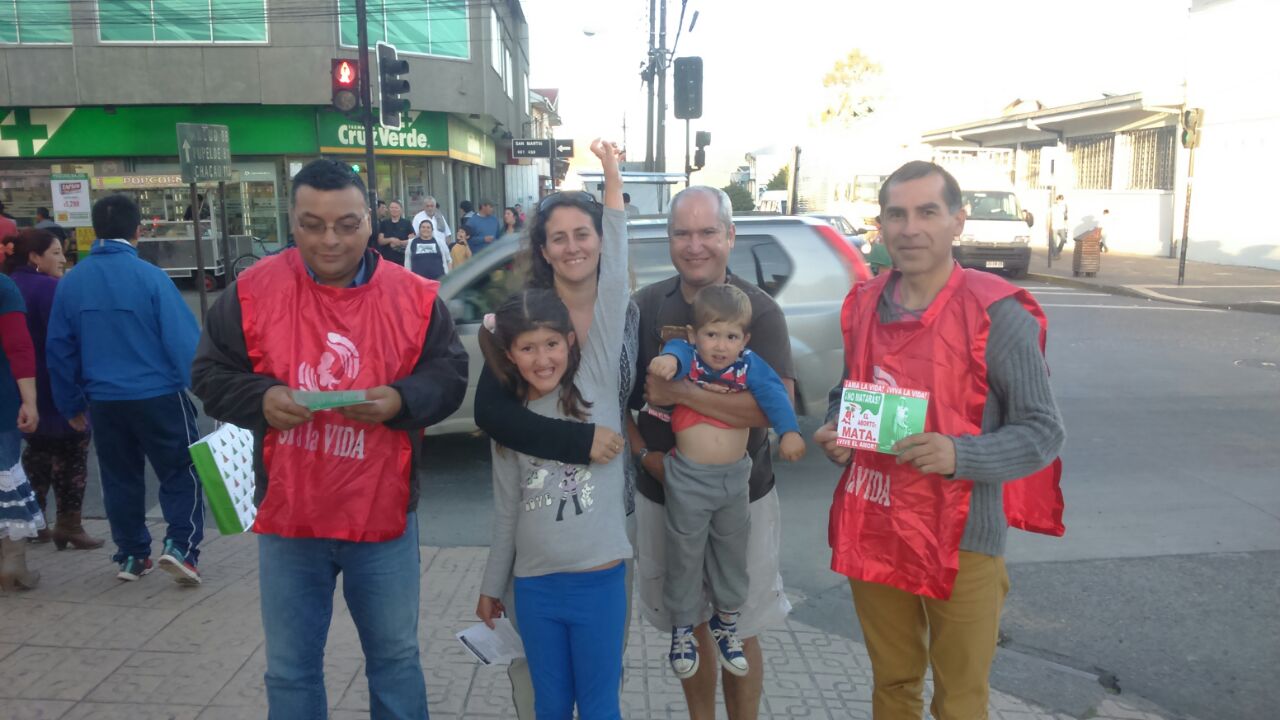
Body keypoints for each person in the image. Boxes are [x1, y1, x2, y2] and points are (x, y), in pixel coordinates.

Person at [191, 158, 468, 720]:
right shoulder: (252, 291)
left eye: (346, 223)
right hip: (291, 517)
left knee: (395, 659)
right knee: (290, 669)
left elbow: (450, 375)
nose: (330, 239)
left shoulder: (414, 296)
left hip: (382, 515)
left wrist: (402, 401)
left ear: (369, 220)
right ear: (291, 223)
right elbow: (208, 376)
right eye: (312, 224)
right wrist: (261, 400)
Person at [815, 160, 1066, 719]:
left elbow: (1044, 431)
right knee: (893, 686)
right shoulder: (865, 304)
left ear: (958, 220)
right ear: (880, 224)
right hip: (877, 522)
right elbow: (848, 388)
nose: (911, 228)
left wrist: (960, 454)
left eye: (928, 211)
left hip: (965, 539)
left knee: (960, 700)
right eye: (897, 214)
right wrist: (839, 428)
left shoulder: (996, 312)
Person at [473, 178, 642, 719]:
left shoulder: (595, 381)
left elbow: (613, 275)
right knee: (549, 705)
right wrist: (491, 586)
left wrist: (613, 182)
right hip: (534, 587)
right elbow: (506, 513)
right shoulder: (511, 424)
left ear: (572, 343)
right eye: (527, 348)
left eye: (552, 344)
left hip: (600, 578)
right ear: (510, 354)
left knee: (597, 705)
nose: (542, 358)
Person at [630, 185, 796, 720]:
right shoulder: (647, 306)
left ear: (730, 234)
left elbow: (773, 407)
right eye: (682, 232)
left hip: (743, 498)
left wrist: (680, 394)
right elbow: (618, 401)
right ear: (670, 238)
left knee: (738, 625)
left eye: (707, 231)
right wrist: (646, 458)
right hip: (666, 495)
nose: (694, 244)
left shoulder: (759, 312)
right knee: (689, 622)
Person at [646, 283, 805, 680]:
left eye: (731, 336)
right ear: (694, 334)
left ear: (744, 339)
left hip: (735, 479)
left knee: (732, 552)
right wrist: (667, 362)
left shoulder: (750, 366)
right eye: (711, 334)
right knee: (684, 553)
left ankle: (726, 621)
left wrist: (789, 431)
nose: (720, 345)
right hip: (687, 478)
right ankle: (683, 627)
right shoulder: (688, 356)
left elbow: (773, 395)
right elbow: (672, 357)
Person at [47, 194, 205, 585]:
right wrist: (205, 388)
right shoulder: (152, 278)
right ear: (138, 231)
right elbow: (184, 342)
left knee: (120, 477)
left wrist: (70, 402)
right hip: (159, 396)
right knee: (181, 471)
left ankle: (132, 556)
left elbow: (60, 349)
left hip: (104, 400)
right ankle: (180, 547)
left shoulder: (71, 283)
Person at [5, 229, 101, 550]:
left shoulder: (10, 284)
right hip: (56, 382)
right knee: (73, 450)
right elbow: (70, 341)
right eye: (56, 252)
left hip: (21, 386)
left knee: (36, 452)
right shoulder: (52, 289)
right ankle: (69, 524)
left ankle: (34, 522)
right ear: (35, 256)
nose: (63, 259)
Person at [0, 258, 44, 591]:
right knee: (4, 473)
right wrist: (29, 400)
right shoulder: (3, 286)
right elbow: (17, 344)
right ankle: (13, 563)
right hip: (1, 401)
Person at [376, 199, 414, 265]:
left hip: (403, 259)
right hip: (387, 260)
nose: (394, 210)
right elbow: (380, 241)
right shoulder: (384, 223)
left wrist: (399, 243)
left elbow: (412, 240)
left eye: (396, 208)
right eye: (392, 208)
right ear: (389, 209)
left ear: (401, 210)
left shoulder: (407, 223)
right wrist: (391, 240)